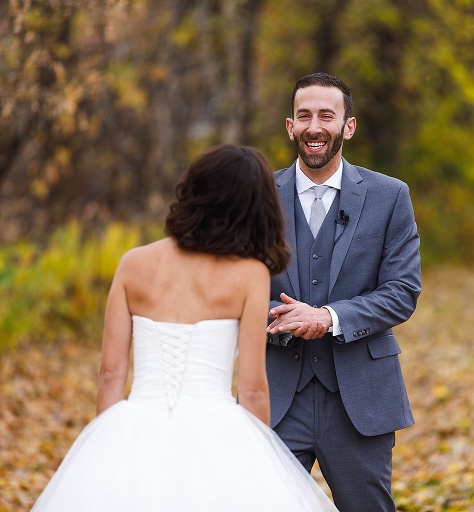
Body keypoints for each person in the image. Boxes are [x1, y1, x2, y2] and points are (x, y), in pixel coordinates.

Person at [31, 144, 339, 512]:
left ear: (194, 192)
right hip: (217, 430)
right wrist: (259, 461)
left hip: (135, 425)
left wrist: (103, 449)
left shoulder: (133, 263)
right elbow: (253, 388)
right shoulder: (249, 274)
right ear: (255, 206)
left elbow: (111, 373)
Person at [265, 72, 422, 512]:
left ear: (347, 127)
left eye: (327, 116)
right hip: (275, 397)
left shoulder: (390, 196)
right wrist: (274, 317)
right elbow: (230, 286)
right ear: (291, 126)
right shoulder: (257, 196)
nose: (315, 126)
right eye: (304, 116)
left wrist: (328, 318)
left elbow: (402, 290)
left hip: (360, 401)